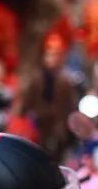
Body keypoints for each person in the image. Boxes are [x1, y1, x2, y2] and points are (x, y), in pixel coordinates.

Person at [18, 33, 77, 162]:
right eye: (49, 55)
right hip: (40, 124)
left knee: (58, 156)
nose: (52, 59)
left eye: (55, 55)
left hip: (58, 124)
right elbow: (27, 101)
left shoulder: (65, 80)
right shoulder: (37, 79)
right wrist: (24, 116)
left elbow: (71, 104)